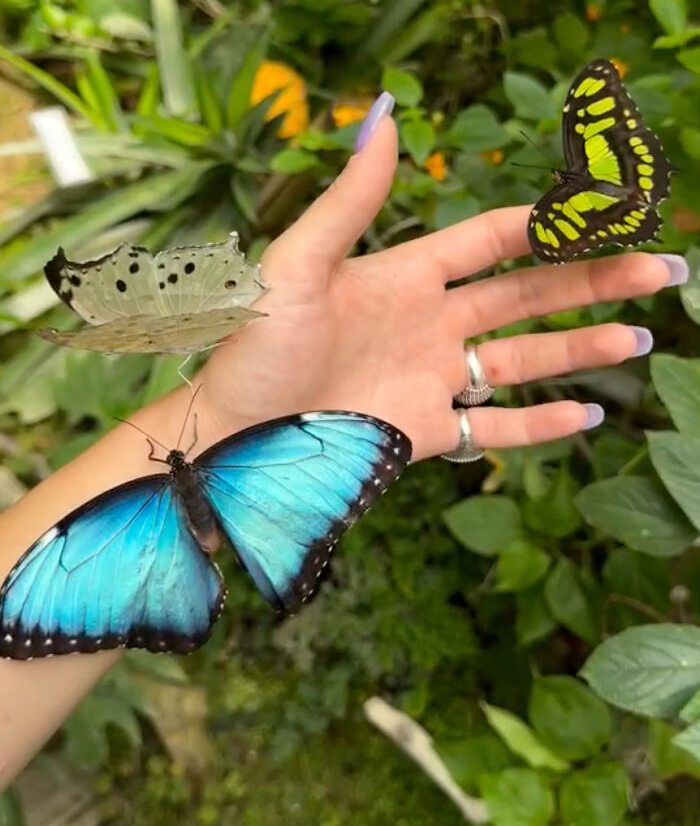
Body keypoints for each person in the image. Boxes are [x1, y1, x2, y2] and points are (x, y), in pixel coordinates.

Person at [0, 93, 687, 785]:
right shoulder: (259, 449)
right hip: (246, 466)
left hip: (221, 471)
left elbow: (72, 572)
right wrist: (224, 417)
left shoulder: (155, 492)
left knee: (82, 554)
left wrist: (222, 415)